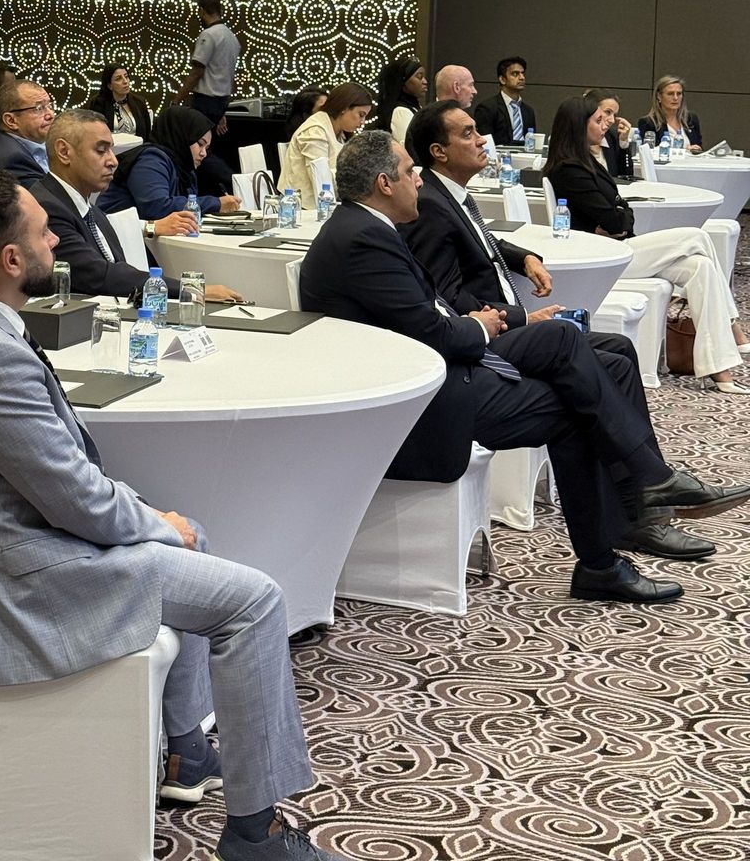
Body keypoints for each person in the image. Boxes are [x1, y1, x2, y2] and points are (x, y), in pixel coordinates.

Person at [0, 174, 334, 860]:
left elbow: (63, 484)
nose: (55, 240)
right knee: (255, 600)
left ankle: (186, 751)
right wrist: (158, 523)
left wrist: (156, 520)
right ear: (11, 260)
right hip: (27, 581)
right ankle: (256, 834)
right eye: (42, 232)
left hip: (14, 544)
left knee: (194, 538)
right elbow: (75, 500)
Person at [299, 132, 750, 603]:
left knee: (594, 362)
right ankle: (637, 503)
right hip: (424, 400)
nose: (418, 180)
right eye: (410, 172)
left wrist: (482, 323)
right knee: (572, 378)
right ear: (384, 183)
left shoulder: (365, 228)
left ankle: (630, 519)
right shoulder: (364, 239)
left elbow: (426, 315)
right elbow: (433, 334)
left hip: (440, 370)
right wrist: (480, 326)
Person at [404, 101, 715, 560]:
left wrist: (524, 256)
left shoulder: (450, 195)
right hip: (485, 339)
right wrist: (522, 319)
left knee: (618, 351)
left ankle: (643, 506)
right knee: (572, 343)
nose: (482, 139)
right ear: (439, 151)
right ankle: (647, 494)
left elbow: (481, 241)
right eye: (468, 133)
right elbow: (447, 297)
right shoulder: (431, 204)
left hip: (502, 327)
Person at [544, 96, 745, 391]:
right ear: (578, 126)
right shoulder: (568, 170)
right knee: (697, 236)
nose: (605, 125)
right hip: (605, 259)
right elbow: (616, 220)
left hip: (619, 246)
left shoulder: (589, 161)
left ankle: (719, 369)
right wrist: (618, 217)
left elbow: (623, 211)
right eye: (598, 120)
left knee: (700, 267)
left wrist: (619, 216)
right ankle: (733, 325)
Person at [32, 110, 243, 302]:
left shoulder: (90, 210)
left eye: (111, 150)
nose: (113, 161)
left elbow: (115, 270)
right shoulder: (46, 209)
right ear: (64, 152)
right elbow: (98, 275)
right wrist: (189, 289)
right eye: (101, 150)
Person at [100, 106, 242, 221]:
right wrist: (215, 203)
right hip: (117, 239)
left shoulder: (185, 168)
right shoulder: (151, 160)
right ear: (181, 136)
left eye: (207, 148)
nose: (203, 153)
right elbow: (157, 207)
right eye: (200, 144)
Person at [278, 82, 372, 208]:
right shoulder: (315, 131)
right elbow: (321, 181)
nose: (363, 122)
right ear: (344, 108)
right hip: (301, 209)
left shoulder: (339, 132)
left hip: (323, 205)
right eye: (361, 115)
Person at [173, 0, 240, 138]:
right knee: (210, 142)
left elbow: (197, 72)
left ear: (201, 11)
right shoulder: (231, 37)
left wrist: (177, 100)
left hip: (205, 102)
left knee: (197, 141)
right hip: (222, 102)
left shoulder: (208, 35)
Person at [0, 78, 57, 186]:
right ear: (11, 121)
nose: (50, 115)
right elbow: (53, 195)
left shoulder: (41, 144)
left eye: (49, 106)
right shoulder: (13, 161)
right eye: (39, 108)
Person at [474, 56, 536, 146]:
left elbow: (531, 142)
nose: (522, 77)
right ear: (502, 79)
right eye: (515, 74)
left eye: (522, 73)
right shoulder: (487, 108)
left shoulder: (528, 111)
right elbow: (485, 144)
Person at [87, 62, 153, 140]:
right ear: (110, 86)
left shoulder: (139, 102)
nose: (125, 81)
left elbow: (147, 135)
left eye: (126, 76)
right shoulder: (98, 103)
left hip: (138, 146)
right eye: (118, 79)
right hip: (110, 146)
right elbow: (95, 135)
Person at [639, 75, 703, 153]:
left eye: (679, 94)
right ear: (659, 96)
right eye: (670, 94)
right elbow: (649, 151)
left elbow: (699, 147)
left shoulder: (691, 119)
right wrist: (685, 150)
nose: (675, 98)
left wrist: (696, 149)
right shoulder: (648, 122)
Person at [373, 56, 426, 142]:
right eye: (419, 77)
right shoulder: (400, 111)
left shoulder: (414, 107)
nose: (425, 81)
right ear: (403, 81)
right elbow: (407, 146)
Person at [583, 89, 634, 178]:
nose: (612, 120)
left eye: (614, 115)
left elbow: (626, 175)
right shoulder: (575, 139)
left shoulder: (611, 136)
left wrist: (623, 143)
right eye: (607, 112)